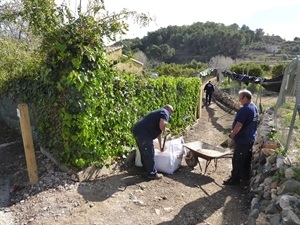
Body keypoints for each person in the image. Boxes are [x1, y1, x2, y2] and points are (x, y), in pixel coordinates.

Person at [223, 89, 259, 188]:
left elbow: (239, 125)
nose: (239, 101)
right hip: (250, 138)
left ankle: (235, 180)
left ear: (245, 98)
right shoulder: (255, 108)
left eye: (240, 98)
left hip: (243, 140)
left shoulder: (245, 109)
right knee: (246, 160)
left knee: (237, 160)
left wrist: (232, 135)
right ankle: (244, 179)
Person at [132, 104, 174, 179]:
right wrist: (165, 129)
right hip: (143, 132)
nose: (171, 114)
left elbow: (159, 133)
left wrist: (161, 146)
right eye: (171, 112)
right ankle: (152, 174)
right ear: (168, 110)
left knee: (144, 152)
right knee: (149, 152)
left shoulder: (158, 114)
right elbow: (162, 125)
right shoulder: (164, 112)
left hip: (138, 130)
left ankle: (146, 170)